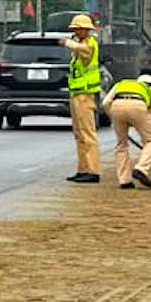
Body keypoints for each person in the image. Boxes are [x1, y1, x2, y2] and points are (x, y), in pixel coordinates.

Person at [60, 14, 101, 184]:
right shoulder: (80, 45)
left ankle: (92, 170)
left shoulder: (89, 44)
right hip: (77, 94)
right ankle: (83, 169)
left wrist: (69, 43)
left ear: (86, 29)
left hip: (85, 95)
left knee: (87, 134)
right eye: (75, 29)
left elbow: (85, 53)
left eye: (78, 29)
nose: (76, 32)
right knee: (79, 135)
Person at [102, 74, 151, 190]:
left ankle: (125, 181)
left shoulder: (122, 84)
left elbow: (105, 103)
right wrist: (146, 137)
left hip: (116, 106)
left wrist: (114, 119)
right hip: (138, 106)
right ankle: (141, 168)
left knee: (121, 145)